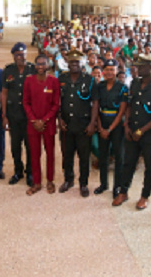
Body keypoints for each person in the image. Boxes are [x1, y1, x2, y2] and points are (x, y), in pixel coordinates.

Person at [118, 54, 151, 209]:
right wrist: (126, 125)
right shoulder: (134, 83)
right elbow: (129, 106)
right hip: (132, 130)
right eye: (137, 66)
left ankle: (145, 196)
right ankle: (123, 192)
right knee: (128, 163)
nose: (137, 69)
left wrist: (142, 130)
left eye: (141, 67)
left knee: (149, 166)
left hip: (149, 134)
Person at [58, 49, 97, 197]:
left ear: (83, 64)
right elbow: (57, 101)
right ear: (67, 63)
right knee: (67, 155)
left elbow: (95, 102)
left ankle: (83, 183)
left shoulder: (90, 80)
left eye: (77, 62)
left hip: (83, 125)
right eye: (71, 61)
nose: (74, 64)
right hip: (66, 124)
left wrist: (92, 123)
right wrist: (59, 118)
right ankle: (68, 180)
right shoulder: (62, 78)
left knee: (84, 156)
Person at [23, 54, 60, 195]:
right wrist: (34, 120)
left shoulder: (54, 81)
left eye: (43, 64)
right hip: (32, 124)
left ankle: (50, 180)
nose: (40, 67)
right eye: (38, 64)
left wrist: (44, 120)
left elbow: (56, 104)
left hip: (48, 124)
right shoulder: (29, 81)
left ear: (48, 65)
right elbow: (26, 102)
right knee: (34, 153)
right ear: (34, 65)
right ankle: (37, 182)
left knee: (50, 153)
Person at [92, 59, 128, 197]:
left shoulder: (122, 87)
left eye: (112, 69)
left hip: (116, 125)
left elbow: (122, 111)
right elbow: (97, 106)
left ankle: (117, 187)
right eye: (107, 69)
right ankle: (103, 184)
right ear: (103, 71)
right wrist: (100, 127)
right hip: (102, 121)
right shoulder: (99, 86)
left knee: (119, 157)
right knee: (103, 155)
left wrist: (110, 129)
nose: (109, 72)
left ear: (117, 71)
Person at [2, 42, 35, 187]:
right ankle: (18, 171)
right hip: (14, 115)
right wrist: (4, 115)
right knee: (15, 146)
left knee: (30, 145)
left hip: (30, 117)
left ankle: (30, 173)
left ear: (26, 54)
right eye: (17, 55)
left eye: (22, 54)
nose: (20, 57)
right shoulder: (8, 71)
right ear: (14, 56)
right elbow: (4, 93)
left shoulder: (33, 70)